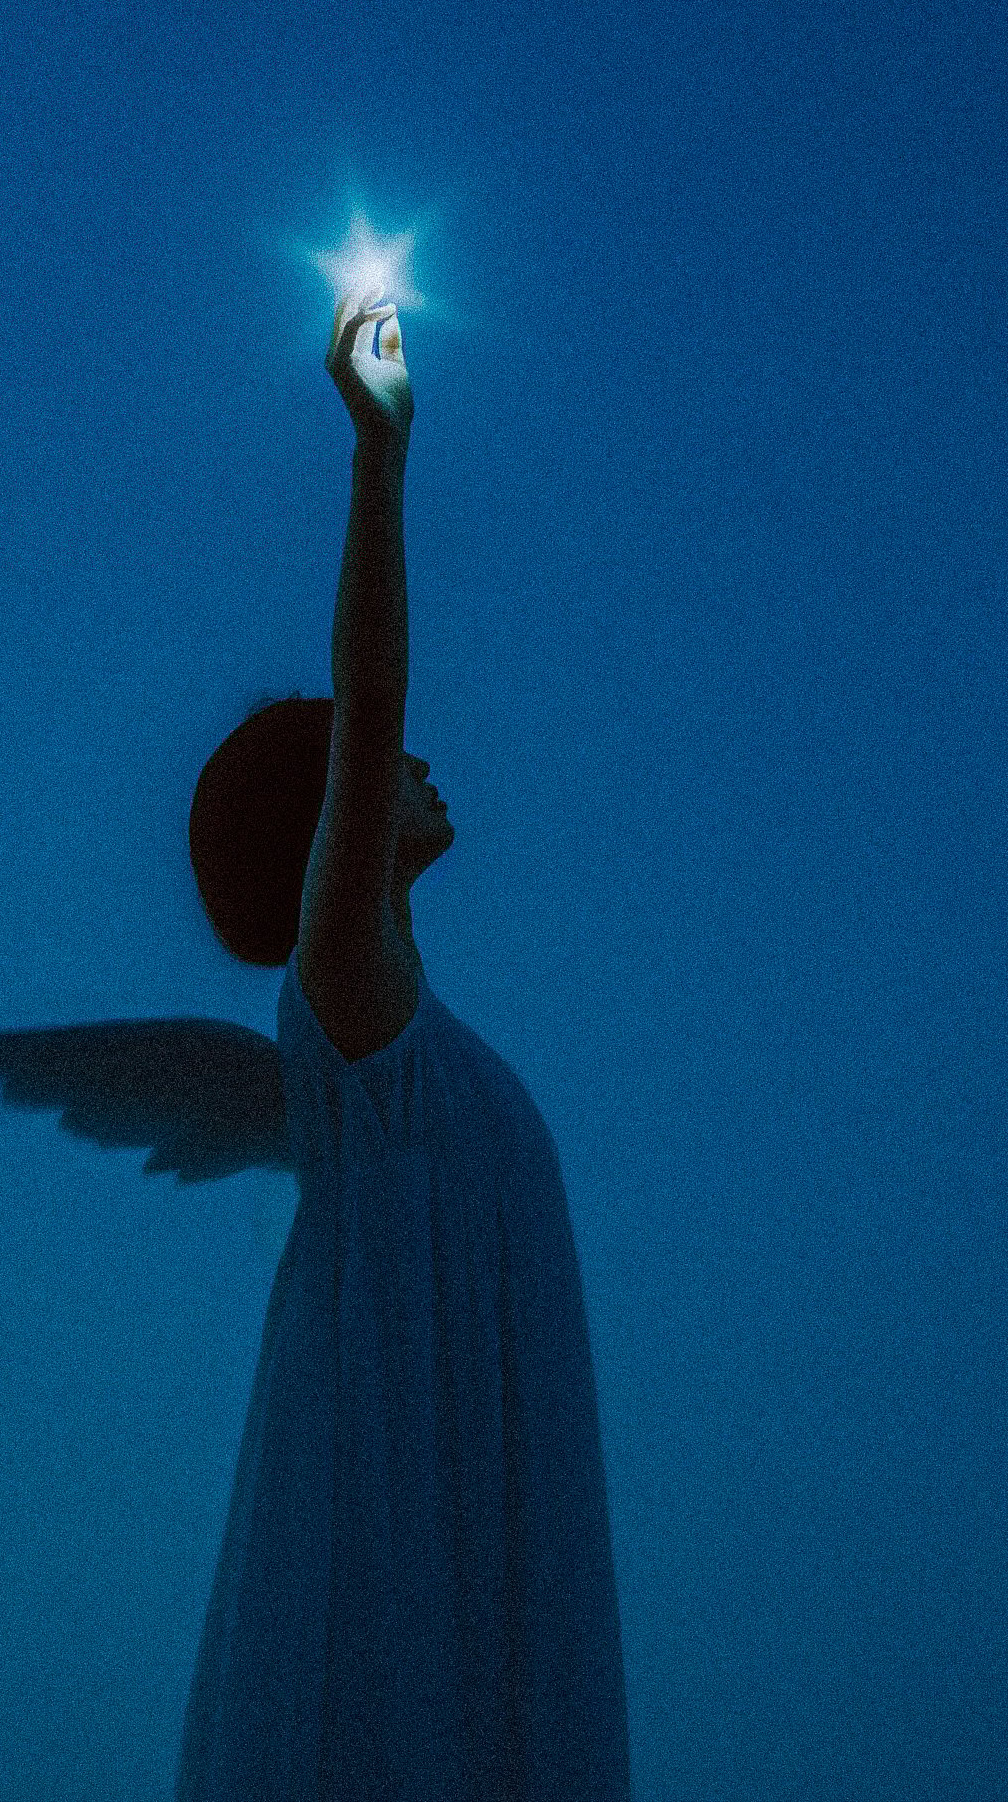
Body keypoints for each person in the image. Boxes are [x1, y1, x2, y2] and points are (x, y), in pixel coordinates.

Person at [174, 290, 632, 1800]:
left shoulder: (414, 1045)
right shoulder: (350, 1015)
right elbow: (377, 702)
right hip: (415, 1552)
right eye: (375, 774)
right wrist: (381, 457)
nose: (423, 764)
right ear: (335, 822)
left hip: (484, 1543)